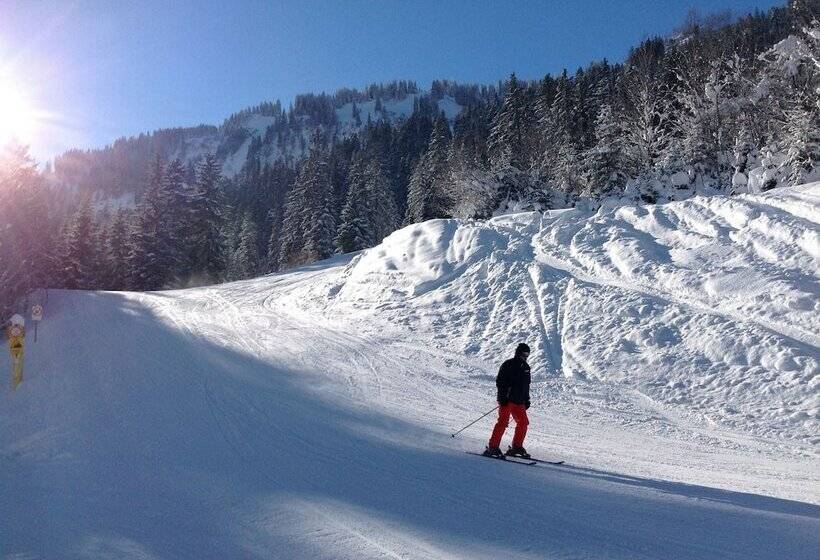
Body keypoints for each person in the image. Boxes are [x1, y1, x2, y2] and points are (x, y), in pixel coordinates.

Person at [483, 343, 531, 458]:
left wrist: (526, 399)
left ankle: (516, 447)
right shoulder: (508, 364)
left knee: (523, 422)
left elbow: (526, 385)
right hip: (507, 400)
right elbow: (500, 382)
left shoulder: (526, 368)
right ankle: (492, 447)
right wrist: (502, 397)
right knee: (503, 422)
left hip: (519, 402)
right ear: (518, 353)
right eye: (524, 354)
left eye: (528, 354)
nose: (526, 357)